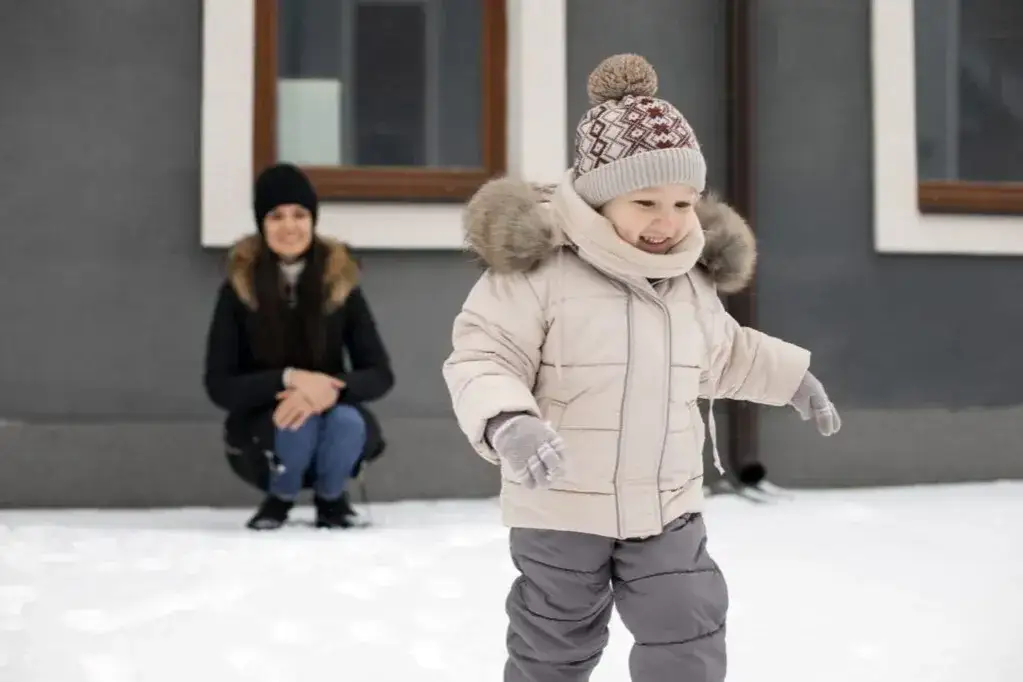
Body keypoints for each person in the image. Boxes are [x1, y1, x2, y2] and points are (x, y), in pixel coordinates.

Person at [442, 54, 840, 682]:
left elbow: (724, 353)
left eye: (684, 203)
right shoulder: (539, 271)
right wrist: (507, 420)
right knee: (555, 642)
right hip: (562, 505)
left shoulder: (687, 278)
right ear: (600, 199)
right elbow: (485, 353)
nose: (669, 222)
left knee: (689, 623)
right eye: (647, 201)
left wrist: (792, 377)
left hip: (666, 506)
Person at [204, 163, 394, 530]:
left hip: (333, 413)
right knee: (294, 423)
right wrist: (290, 380)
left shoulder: (340, 284)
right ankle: (281, 496)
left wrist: (327, 390)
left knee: (346, 421)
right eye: (276, 216)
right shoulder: (237, 290)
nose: (289, 226)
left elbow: (380, 374)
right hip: (264, 424)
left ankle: (332, 499)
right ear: (262, 223)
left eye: (299, 214)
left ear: (313, 219)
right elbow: (219, 385)